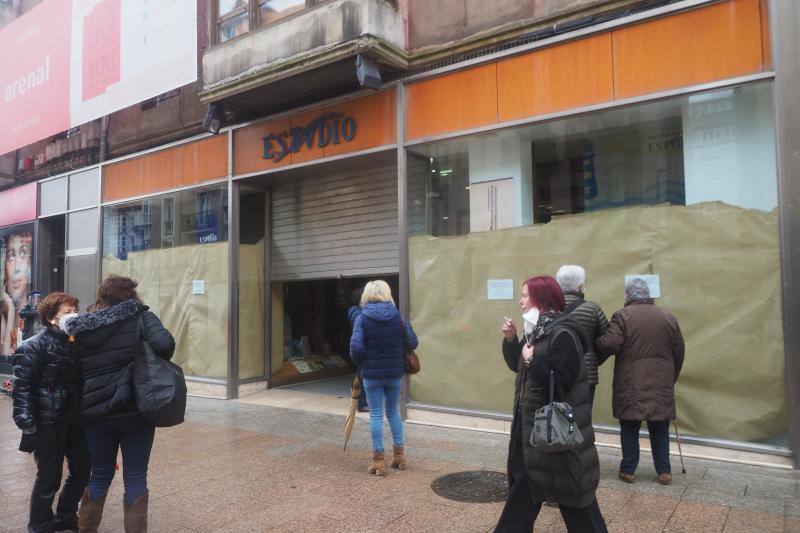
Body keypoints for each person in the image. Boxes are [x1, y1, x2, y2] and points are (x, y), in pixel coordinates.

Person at [64, 275, 175, 533]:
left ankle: (85, 529)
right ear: (131, 296)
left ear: (102, 296)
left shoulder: (83, 326)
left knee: (100, 474)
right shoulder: (141, 316)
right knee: (136, 476)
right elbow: (165, 345)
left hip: (94, 412)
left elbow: (74, 365)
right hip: (135, 409)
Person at [496, 276, 606, 533]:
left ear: (541, 298)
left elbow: (562, 377)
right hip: (532, 432)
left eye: (525, 295)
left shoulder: (562, 331)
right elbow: (519, 366)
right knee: (528, 491)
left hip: (553, 435)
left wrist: (531, 361)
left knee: (576, 501)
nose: (520, 301)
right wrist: (513, 341)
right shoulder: (537, 329)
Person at [12, 292, 89, 533]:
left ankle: (66, 516)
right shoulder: (33, 346)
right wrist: (27, 423)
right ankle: (40, 524)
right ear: (51, 317)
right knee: (49, 477)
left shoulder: (78, 345)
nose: (73, 315)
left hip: (76, 419)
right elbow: (22, 389)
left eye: (75, 310)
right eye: (67, 312)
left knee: (83, 470)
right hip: (48, 422)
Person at [597, 277, 685, 485]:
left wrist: (595, 340)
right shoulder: (668, 318)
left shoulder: (623, 316)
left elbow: (609, 344)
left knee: (629, 425)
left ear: (628, 295)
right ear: (649, 295)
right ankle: (664, 471)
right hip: (661, 381)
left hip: (631, 382)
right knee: (659, 426)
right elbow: (679, 352)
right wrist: (671, 377)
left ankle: (628, 469)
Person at [350, 280, 418, 476]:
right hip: (395, 372)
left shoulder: (363, 318)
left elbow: (355, 349)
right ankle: (399, 456)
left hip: (372, 373)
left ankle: (378, 460)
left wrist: (363, 360)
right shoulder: (398, 317)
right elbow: (413, 341)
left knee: (376, 414)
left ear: (367, 295)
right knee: (393, 413)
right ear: (387, 294)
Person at [555, 265, 610, 406]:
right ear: (580, 285)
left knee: (557, 420)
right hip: (586, 374)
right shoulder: (593, 309)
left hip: (556, 372)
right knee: (582, 419)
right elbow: (608, 341)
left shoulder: (551, 309)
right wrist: (594, 359)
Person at [2, 232, 33, 356]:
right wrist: (10, 310)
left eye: (23, 253)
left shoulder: (33, 313)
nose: (16, 268)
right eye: (11, 256)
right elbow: (8, 354)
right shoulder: (5, 315)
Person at [347, 286, 368, 413]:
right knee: (362, 376)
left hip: (361, 348)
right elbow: (361, 333)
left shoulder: (357, 312)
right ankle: (360, 403)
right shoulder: (357, 314)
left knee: (361, 376)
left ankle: (360, 402)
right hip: (362, 349)